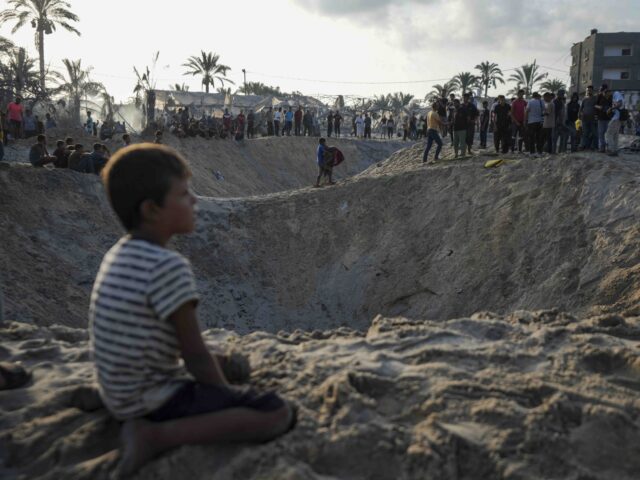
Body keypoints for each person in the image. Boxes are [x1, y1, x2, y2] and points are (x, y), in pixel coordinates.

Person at [92, 144, 294, 476]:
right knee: (276, 413)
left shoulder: (118, 254)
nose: (195, 200)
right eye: (185, 194)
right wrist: (227, 399)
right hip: (151, 400)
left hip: (117, 391)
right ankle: (155, 437)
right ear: (152, 210)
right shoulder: (167, 266)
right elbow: (194, 355)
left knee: (227, 361)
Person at [605, 91, 625, 156]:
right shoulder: (615, 96)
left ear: (608, 92)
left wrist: (611, 109)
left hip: (616, 118)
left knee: (609, 133)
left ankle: (611, 150)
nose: (606, 96)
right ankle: (615, 150)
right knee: (615, 135)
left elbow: (620, 103)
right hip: (618, 118)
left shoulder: (616, 93)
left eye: (606, 94)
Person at [579, 85, 598, 150]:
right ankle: (583, 146)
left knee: (594, 133)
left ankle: (593, 146)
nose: (588, 91)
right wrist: (580, 115)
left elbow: (597, 108)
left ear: (592, 91)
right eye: (587, 90)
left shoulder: (595, 98)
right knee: (585, 133)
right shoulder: (584, 99)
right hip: (585, 119)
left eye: (590, 90)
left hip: (593, 119)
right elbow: (581, 109)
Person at [595, 85, 612, 153]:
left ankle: (608, 147)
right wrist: (600, 108)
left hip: (608, 118)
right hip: (601, 117)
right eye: (601, 90)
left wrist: (610, 109)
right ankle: (602, 147)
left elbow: (612, 105)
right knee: (601, 133)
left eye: (603, 90)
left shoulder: (610, 97)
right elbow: (595, 105)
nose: (601, 91)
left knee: (608, 133)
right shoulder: (599, 96)